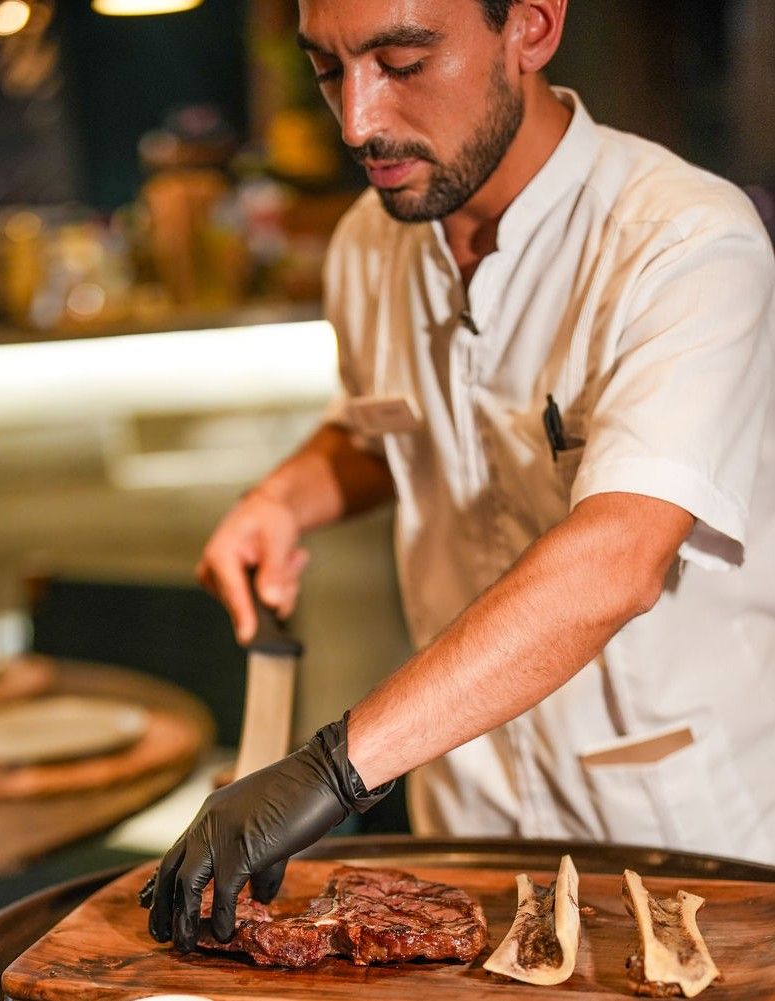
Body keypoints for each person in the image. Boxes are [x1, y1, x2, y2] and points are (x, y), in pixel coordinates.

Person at [148, 0, 775, 952]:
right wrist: (281, 499)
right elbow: (386, 432)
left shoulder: (685, 241)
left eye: (401, 61)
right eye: (328, 69)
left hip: (673, 842)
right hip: (462, 829)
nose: (356, 120)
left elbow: (618, 556)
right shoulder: (370, 241)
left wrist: (331, 769)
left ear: (529, 27)